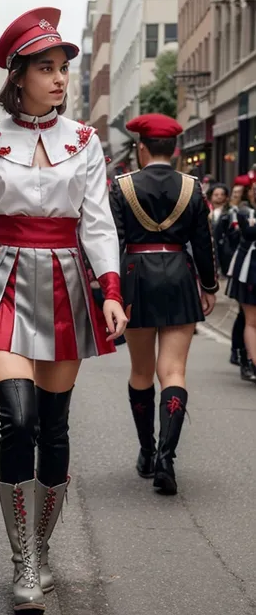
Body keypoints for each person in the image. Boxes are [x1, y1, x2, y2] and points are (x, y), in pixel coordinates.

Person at [0, 7, 127, 612]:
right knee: (16, 419)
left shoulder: (85, 141)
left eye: (62, 68)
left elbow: (97, 222)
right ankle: (22, 559)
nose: (58, 79)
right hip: (3, 281)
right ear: (17, 76)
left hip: (68, 282)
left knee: (53, 425)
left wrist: (112, 290)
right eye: (44, 68)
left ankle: (41, 551)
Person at [109, 113, 218, 496]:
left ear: (141, 147)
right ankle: (167, 460)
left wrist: (110, 290)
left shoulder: (121, 186)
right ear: (174, 150)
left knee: (141, 371)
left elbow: (113, 240)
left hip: (136, 276)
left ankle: (147, 451)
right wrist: (208, 285)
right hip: (178, 274)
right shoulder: (192, 186)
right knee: (173, 371)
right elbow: (203, 243)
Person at [226, 198, 256, 381]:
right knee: (249, 318)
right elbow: (248, 232)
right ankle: (249, 359)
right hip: (250, 271)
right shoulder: (245, 212)